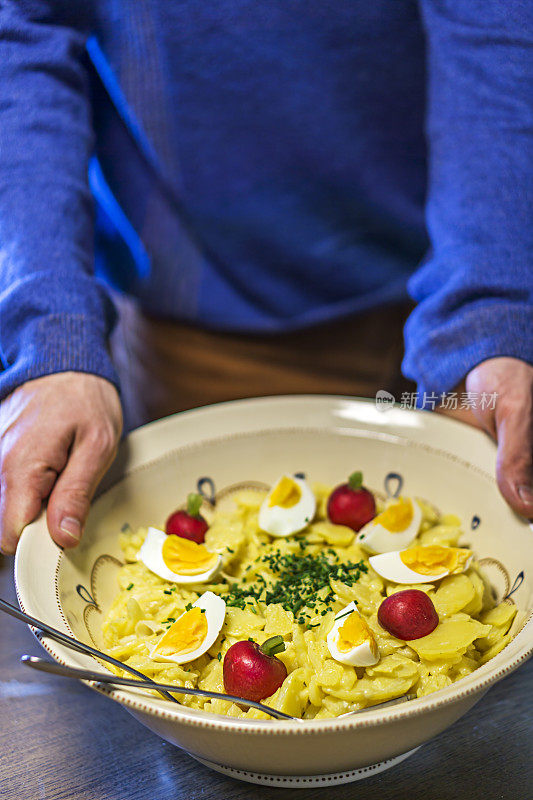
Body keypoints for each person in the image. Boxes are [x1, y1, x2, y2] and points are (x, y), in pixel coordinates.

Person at [0, 2, 532, 556]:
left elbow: (497, 25)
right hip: (199, 330)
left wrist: (494, 307)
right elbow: (21, 28)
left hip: (449, 317)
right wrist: (49, 338)